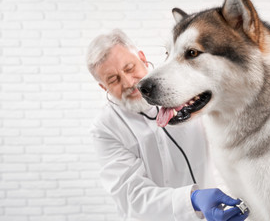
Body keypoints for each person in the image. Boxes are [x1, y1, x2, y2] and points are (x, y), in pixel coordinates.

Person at [86, 29, 249, 221]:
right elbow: (132, 196)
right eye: (113, 80)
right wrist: (193, 199)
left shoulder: (187, 88)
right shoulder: (105, 127)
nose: (129, 82)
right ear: (103, 87)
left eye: (129, 68)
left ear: (142, 58)